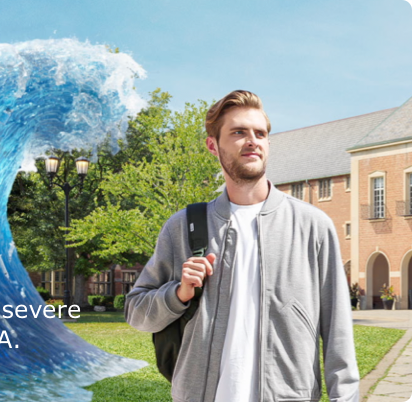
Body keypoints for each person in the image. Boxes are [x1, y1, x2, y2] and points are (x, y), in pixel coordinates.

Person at [125, 90, 359, 402]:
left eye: (259, 133)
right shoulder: (183, 226)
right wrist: (179, 293)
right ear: (213, 145)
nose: (252, 140)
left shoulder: (312, 226)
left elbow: (338, 333)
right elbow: (136, 313)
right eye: (238, 132)